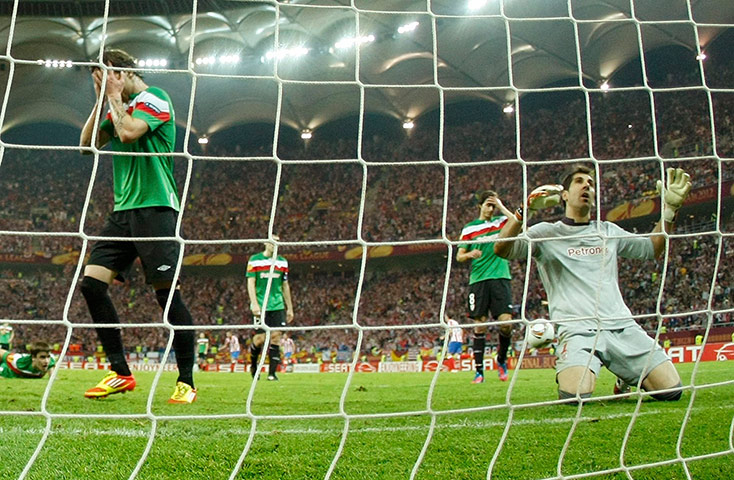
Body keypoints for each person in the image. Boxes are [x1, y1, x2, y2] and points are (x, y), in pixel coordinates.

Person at [494, 165, 690, 402]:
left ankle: (624, 378)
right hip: (577, 330)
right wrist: (523, 211)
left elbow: (652, 248)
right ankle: (580, 365)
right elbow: (502, 249)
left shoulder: (607, 231)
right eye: (579, 181)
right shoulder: (545, 233)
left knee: (672, 392)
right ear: (564, 195)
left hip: (622, 327)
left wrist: (670, 210)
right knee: (575, 396)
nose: (587, 185)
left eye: (591, 183)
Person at [78, 48, 196, 404]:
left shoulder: (155, 98)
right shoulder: (118, 107)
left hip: (156, 210)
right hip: (123, 213)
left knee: (165, 295)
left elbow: (128, 133)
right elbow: (86, 147)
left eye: (106, 75)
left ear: (123, 72)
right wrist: (102, 100)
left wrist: (114, 96)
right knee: (91, 286)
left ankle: (186, 382)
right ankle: (120, 372)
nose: (104, 83)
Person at [457, 190, 517, 383]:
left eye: (493, 205)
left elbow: (518, 222)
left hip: (500, 277)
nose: (491, 209)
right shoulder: (469, 228)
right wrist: (469, 254)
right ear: (480, 206)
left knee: (506, 324)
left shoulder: (500, 222)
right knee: (480, 326)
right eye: (488, 205)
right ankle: (479, 371)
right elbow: (459, 256)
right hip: (478, 281)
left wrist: (501, 206)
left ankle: (501, 359)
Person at [247, 236, 294, 381]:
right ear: (265, 243)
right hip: (261, 306)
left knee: (276, 337)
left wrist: (289, 308)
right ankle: (254, 366)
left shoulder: (282, 262)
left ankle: (272, 374)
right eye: (272, 241)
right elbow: (251, 283)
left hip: (277, 305)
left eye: (278, 242)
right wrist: (254, 303)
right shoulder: (255, 260)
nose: (275, 244)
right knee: (259, 339)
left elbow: (285, 285)